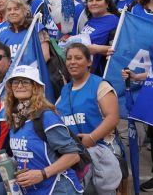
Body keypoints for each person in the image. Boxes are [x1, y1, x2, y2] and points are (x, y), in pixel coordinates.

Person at [5, 65, 83, 194]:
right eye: (15, 82)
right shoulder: (15, 118)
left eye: (25, 82)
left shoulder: (46, 116)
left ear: (35, 87)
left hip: (58, 188)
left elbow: (73, 156)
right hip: (32, 189)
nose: (19, 86)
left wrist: (42, 174)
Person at [56, 42, 120, 194]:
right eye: (69, 58)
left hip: (100, 152)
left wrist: (91, 138)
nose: (72, 62)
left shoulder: (100, 85)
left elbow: (112, 117)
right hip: (75, 155)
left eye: (78, 58)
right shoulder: (65, 90)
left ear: (89, 62)